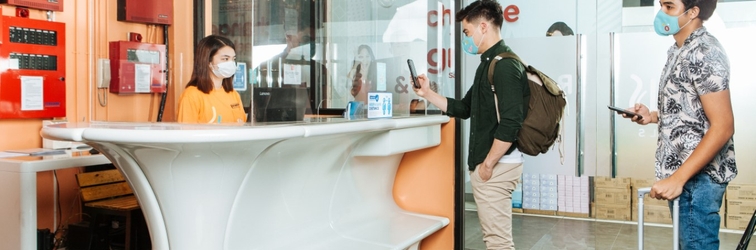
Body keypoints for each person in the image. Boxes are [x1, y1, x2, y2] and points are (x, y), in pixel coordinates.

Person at [619, 0, 735, 248]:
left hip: (697, 178)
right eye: (661, 5)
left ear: (692, 12)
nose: (662, 13)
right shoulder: (678, 50)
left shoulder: (704, 52)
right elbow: (692, 110)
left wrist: (678, 179)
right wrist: (651, 116)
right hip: (686, 175)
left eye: (669, 7)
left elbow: (723, 125)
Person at [413, 1, 529, 249]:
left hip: (497, 167)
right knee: (495, 239)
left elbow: (511, 123)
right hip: (492, 166)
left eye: (466, 32)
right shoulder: (488, 64)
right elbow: (465, 108)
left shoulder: (505, 66)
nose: (465, 38)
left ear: (483, 27)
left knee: (498, 242)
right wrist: (427, 94)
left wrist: (487, 165)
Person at [177, 35, 247, 124]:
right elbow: (187, 135)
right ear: (208, 62)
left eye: (233, 59)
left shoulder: (233, 94)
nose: (231, 63)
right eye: (225, 59)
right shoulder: (191, 96)